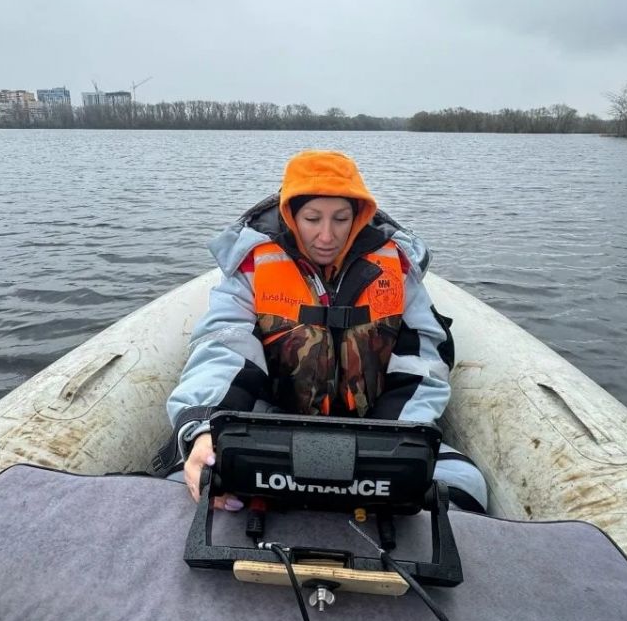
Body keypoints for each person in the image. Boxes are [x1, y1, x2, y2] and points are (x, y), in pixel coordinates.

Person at [156, 150, 488, 512]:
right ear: (291, 215)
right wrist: (206, 428)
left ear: (358, 217)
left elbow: (423, 359)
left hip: (378, 428)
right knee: (186, 480)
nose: (327, 235)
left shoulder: (396, 269)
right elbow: (223, 346)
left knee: (466, 483)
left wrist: (399, 438)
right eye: (312, 219)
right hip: (271, 425)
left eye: (341, 219)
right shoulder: (252, 269)